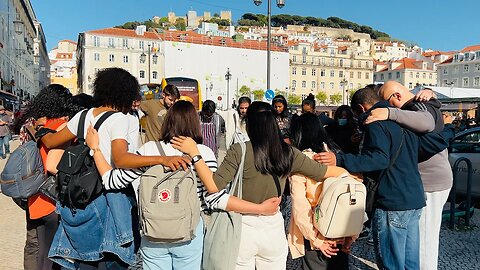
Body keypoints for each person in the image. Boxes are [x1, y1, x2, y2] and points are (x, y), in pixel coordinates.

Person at [80, 100, 280, 270]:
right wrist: (259, 208)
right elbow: (214, 198)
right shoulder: (201, 153)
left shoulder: (149, 150)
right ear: (195, 123)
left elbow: (112, 181)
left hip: (152, 234)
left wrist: (95, 148)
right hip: (190, 235)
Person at [171, 101, 354, 270]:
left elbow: (213, 185)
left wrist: (195, 153)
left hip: (242, 227)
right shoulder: (289, 153)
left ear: (249, 125)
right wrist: (342, 169)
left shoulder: (239, 150)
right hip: (273, 227)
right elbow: (328, 173)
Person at [37, 68, 189, 269]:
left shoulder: (83, 115)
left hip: (82, 194)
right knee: (113, 258)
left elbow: (51, 141)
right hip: (110, 196)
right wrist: (162, 159)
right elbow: (121, 158)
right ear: (125, 93)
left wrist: (40, 130)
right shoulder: (119, 119)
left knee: (86, 259)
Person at [317, 87, 455, 269]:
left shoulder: (375, 121)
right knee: (410, 264)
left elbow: (378, 159)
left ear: (361, 108)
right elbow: (429, 143)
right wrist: (450, 129)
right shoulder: (403, 119)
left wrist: (339, 159)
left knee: (391, 264)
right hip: (414, 199)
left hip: (392, 202)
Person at [369, 81, 453, 270]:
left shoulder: (418, 106)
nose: (387, 106)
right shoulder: (419, 103)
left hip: (430, 182)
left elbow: (426, 122)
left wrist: (390, 114)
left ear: (397, 96)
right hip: (425, 181)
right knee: (419, 243)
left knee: (424, 243)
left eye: (388, 102)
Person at [21, 84, 82, 270]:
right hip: (51, 197)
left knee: (36, 249)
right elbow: (52, 165)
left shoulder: (36, 126)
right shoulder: (61, 127)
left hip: (34, 196)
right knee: (51, 254)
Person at [288, 113, 351, 270]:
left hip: (317, 231)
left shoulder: (301, 162)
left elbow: (300, 207)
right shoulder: (335, 156)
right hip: (342, 231)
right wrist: (351, 235)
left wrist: (316, 239)